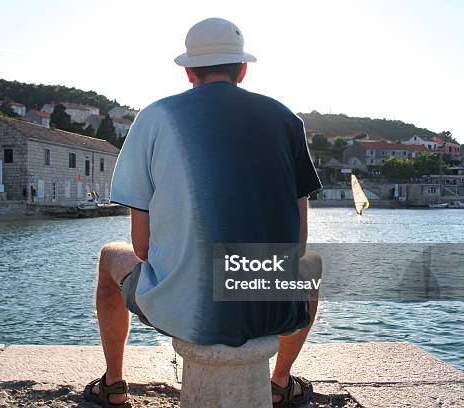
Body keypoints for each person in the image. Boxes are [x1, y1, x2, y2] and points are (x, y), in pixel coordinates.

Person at [84, 18, 323, 408]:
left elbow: (141, 248)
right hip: (271, 303)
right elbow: (298, 242)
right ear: (242, 70)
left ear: (188, 70)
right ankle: (280, 384)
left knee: (111, 256)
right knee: (310, 267)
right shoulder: (286, 120)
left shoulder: (155, 117)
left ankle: (113, 385)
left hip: (188, 309)